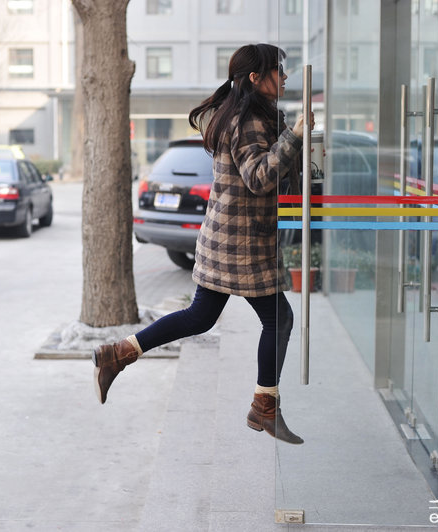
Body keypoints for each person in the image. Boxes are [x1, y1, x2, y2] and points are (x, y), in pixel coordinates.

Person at [92, 43, 311, 444]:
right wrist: (295, 136)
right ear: (255, 78)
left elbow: (277, 169)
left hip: (231, 238)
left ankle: (117, 353)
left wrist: (299, 147)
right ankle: (264, 407)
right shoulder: (248, 121)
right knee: (278, 320)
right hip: (240, 245)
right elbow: (259, 177)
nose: (284, 77)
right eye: (278, 70)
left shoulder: (252, 115)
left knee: (201, 317)